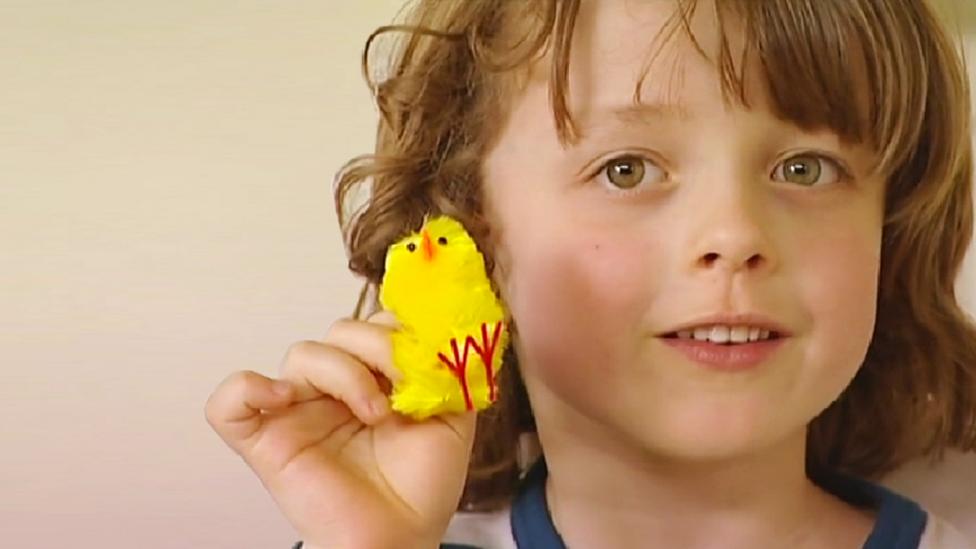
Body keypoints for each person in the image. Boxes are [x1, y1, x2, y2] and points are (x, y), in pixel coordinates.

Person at [204, 1, 976, 547]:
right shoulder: (380, 538)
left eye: (805, 168)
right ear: (470, 234)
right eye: (628, 169)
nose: (736, 235)